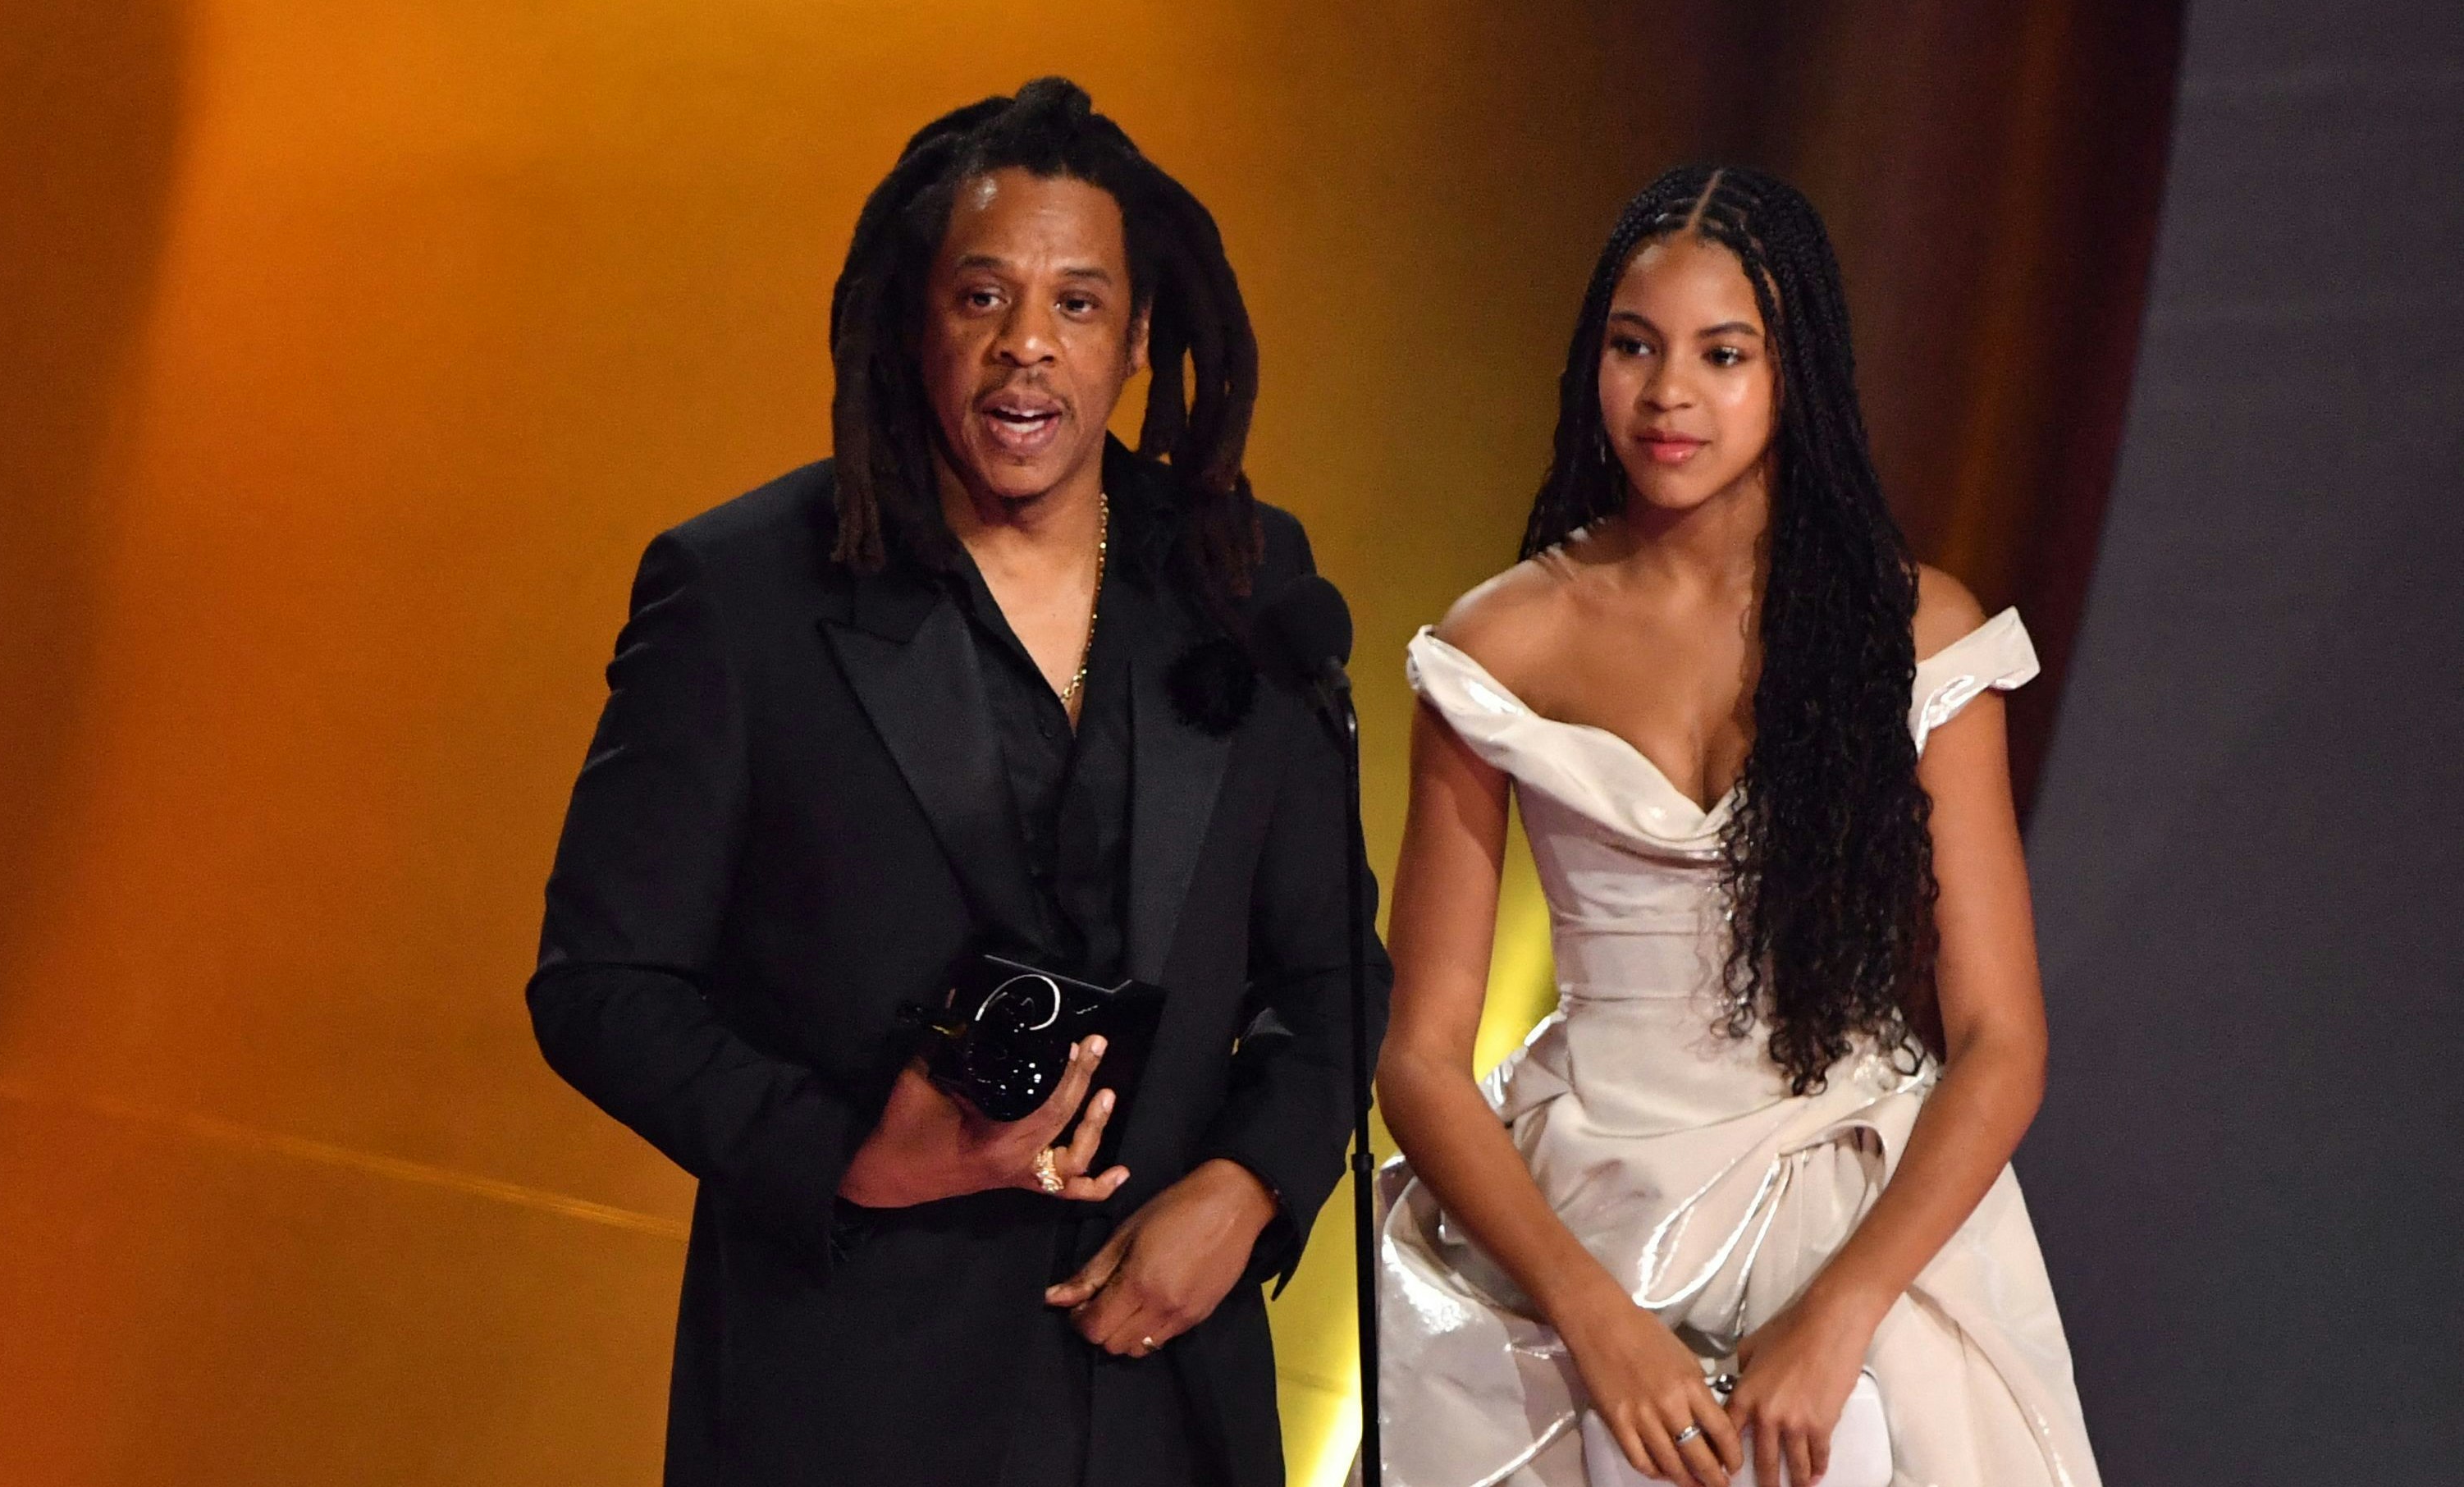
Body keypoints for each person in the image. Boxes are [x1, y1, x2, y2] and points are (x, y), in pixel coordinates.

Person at [527, 78, 1388, 1487]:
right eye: (982, 297)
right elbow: (600, 984)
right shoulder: (743, 594)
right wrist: (851, 1156)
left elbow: (1331, 970)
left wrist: (1248, 1189)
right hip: (851, 1391)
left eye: (1076, 304)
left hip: (1162, 1383)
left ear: (1137, 341)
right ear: (911, 321)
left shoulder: (1240, 577)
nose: (1025, 345)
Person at [1370, 166, 2101, 1487]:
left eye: (1722, 354)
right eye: (1632, 347)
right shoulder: (1499, 643)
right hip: (1575, 1220)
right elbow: (1420, 1056)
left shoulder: (1916, 634)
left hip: (1855, 1213)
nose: (1668, 395)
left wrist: (1841, 1314)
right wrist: (1594, 1320)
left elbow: (2001, 1040)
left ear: (1793, 373)